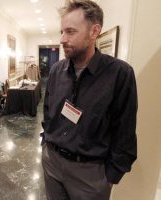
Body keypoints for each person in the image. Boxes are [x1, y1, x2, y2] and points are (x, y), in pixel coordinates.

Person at [41, 1, 137, 200]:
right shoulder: (57, 70)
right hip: (52, 163)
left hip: (91, 175)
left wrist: (110, 176)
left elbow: (125, 131)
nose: (62, 39)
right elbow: (49, 112)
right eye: (61, 31)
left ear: (94, 31)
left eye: (70, 31)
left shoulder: (120, 74)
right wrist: (46, 145)